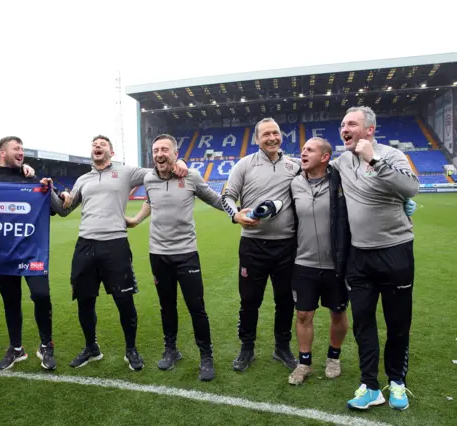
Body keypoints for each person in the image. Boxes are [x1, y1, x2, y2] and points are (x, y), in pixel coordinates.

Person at [54, 135, 188, 371]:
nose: (97, 146)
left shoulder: (126, 172)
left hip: (115, 244)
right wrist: (58, 195)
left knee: (124, 300)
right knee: (85, 301)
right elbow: (66, 209)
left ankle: (131, 350)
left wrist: (182, 162)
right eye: (94, 144)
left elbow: (159, 169)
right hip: (85, 245)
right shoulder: (83, 179)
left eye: (103, 144)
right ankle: (91, 348)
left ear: (112, 153)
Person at [335, 106, 419, 411]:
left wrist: (374, 159)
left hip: (395, 251)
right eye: (342, 124)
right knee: (363, 323)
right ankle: (370, 385)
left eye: (352, 124)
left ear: (369, 129)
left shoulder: (391, 155)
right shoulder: (342, 161)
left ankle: (397, 381)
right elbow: (310, 168)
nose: (344, 128)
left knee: (398, 323)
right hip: (359, 257)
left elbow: (412, 187)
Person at [125, 134, 221, 381]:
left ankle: (206, 356)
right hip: (158, 255)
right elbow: (151, 202)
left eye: (165, 149)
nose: (159, 154)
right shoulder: (148, 178)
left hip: (186, 254)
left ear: (175, 154)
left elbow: (215, 199)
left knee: (196, 308)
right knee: (167, 307)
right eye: (156, 150)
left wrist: (237, 212)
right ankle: (171, 350)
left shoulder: (190, 177)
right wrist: (136, 219)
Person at [0, 136, 59, 371]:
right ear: (2, 152)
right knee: (11, 302)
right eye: (16, 148)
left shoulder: (33, 180)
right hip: (3, 253)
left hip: (32, 252)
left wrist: (48, 187)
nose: (21, 152)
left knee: (41, 296)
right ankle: (16, 348)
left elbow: (55, 207)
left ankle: (46, 345)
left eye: (23, 149)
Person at [221, 118, 299, 372]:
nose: (272, 138)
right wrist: (235, 216)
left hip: (287, 245)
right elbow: (227, 196)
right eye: (266, 134)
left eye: (275, 132)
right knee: (250, 300)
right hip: (253, 246)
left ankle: (282, 347)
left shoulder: (294, 166)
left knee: (285, 300)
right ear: (257, 139)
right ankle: (247, 348)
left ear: (281, 136)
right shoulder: (244, 165)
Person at [287, 137, 351, 385]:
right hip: (303, 262)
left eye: (309, 150)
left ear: (325, 157)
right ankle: (304, 363)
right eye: (302, 149)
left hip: (336, 263)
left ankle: (333, 357)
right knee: (303, 314)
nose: (303, 153)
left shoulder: (340, 181)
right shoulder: (293, 183)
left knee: (338, 313)